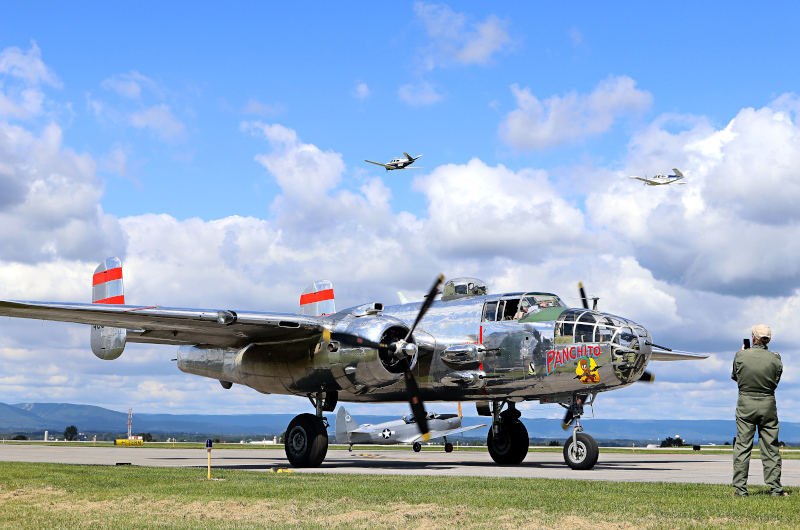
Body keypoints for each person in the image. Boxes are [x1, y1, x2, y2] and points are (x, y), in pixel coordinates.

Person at [731, 324, 788, 497]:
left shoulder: (740, 355)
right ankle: (776, 489)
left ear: (753, 338)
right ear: (768, 340)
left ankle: (740, 490)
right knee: (771, 446)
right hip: (768, 402)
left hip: (745, 403)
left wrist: (744, 353)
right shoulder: (776, 358)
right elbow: (776, 380)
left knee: (742, 445)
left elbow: (735, 376)